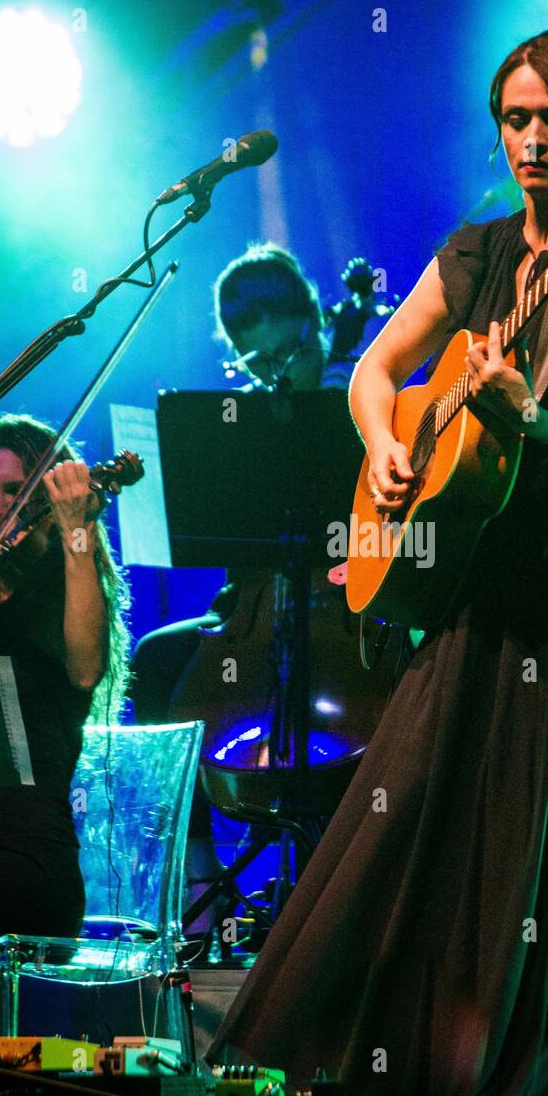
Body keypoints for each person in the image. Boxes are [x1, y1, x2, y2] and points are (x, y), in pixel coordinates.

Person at [207, 30, 548, 1096]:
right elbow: (375, 368)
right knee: (427, 772)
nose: (531, 140)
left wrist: (530, 418)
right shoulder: (476, 253)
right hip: (484, 550)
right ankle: (376, 1035)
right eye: (515, 119)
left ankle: (524, 1039)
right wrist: (382, 443)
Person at [131, 242, 352, 915]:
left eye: (287, 355)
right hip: (250, 614)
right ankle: (202, 877)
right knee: (158, 658)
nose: (274, 375)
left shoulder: (358, 404)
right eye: (255, 363)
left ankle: (346, 877)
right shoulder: (230, 426)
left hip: (349, 608)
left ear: (314, 322)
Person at [0, 414, 130, 945]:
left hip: (26, 860)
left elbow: (85, 668)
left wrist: (77, 532)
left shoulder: (63, 590)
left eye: (13, 491)